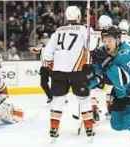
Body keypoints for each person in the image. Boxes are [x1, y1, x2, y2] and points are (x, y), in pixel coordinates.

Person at [84, 26, 130, 147]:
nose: (106, 44)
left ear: (118, 40)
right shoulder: (102, 52)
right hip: (120, 90)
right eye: (104, 41)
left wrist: (107, 64)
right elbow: (98, 81)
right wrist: (89, 77)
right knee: (116, 124)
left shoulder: (128, 52)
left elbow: (123, 80)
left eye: (109, 41)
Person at [44, 6, 95, 140]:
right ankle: (89, 128)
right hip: (77, 70)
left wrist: (50, 65)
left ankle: (53, 129)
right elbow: (93, 46)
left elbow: (48, 52)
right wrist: (90, 32)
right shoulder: (84, 29)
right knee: (84, 99)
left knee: (58, 99)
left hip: (59, 70)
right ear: (78, 16)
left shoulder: (58, 31)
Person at [29, 33, 53, 103]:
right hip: (44, 67)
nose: (44, 40)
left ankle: (62, 97)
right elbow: (34, 50)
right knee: (43, 83)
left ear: (49, 39)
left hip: (52, 67)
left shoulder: (53, 46)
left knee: (56, 83)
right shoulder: (40, 46)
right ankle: (50, 96)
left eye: (46, 38)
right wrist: (30, 48)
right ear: (41, 40)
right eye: (43, 38)